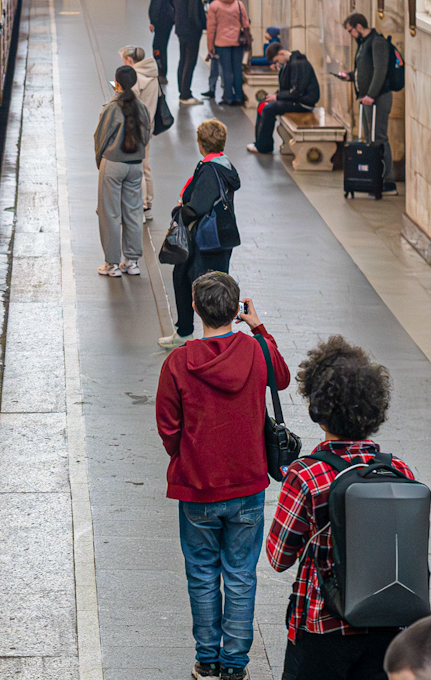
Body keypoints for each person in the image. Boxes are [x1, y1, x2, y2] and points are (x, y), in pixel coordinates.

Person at [156, 271, 288, 680]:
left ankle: (206, 659)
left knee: (201, 574)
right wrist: (259, 326)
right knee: (240, 576)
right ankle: (234, 665)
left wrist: (187, 456)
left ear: (194, 308)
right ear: (236, 310)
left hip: (197, 490)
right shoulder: (255, 352)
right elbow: (281, 378)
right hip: (247, 485)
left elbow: (167, 426)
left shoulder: (178, 362)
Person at [266, 336, 414, 679]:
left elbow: (278, 558)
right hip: (387, 624)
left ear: (319, 409)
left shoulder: (307, 475)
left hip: (322, 624)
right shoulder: (399, 471)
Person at [160, 120, 240, 349]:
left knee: (199, 286)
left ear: (201, 143)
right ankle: (200, 332)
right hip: (220, 236)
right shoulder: (224, 165)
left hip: (205, 240)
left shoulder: (209, 169)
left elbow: (200, 206)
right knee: (205, 282)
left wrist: (179, 211)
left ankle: (197, 334)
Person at [93, 64, 151, 276]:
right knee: (134, 212)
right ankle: (132, 262)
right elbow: (146, 136)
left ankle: (112, 264)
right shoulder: (141, 108)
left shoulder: (111, 108)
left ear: (116, 83)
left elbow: (100, 138)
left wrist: (101, 162)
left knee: (110, 214)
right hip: (135, 166)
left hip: (113, 165)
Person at [338, 13, 396, 194]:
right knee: (370, 140)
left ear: (358, 26)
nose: (350, 34)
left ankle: (388, 181)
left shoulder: (377, 42)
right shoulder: (363, 44)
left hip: (378, 98)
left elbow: (380, 70)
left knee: (379, 138)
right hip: (366, 99)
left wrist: (371, 94)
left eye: (350, 31)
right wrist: (350, 76)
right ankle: (372, 178)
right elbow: (365, 70)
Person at [247, 43, 319, 154]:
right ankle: (260, 143)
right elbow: (286, 88)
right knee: (263, 104)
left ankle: (264, 146)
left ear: (281, 53)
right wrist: (275, 96)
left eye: (276, 60)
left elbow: (296, 92)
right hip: (296, 100)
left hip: (303, 103)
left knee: (269, 109)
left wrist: (277, 97)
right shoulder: (289, 63)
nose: (277, 63)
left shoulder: (299, 63)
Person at [121, 45, 161, 216]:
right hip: (148, 124)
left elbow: (127, 98)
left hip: (136, 127)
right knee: (146, 166)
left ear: (129, 60)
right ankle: (149, 200)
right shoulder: (152, 74)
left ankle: (143, 202)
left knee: (138, 166)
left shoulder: (135, 77)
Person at [206, 0, 250, 105]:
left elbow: (211, 28)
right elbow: (246, 24)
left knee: (226, 70)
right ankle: (239, 96)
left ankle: (228, 97)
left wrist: (210, 47)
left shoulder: (214, 5)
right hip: (237, 42)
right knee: (237, 69)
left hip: (222, 43)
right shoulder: (239, 5)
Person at [174, 0, 207, 105]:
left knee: (183, 60)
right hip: (192, 32)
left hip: (181, 30)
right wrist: (202, 26)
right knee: (190, 62)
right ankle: (186, 94)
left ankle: (182, 91)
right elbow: (194, 14)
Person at [149, 0, 176, 79]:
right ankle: (161, 70)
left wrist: (153, 22)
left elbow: (156, 6)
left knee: (158, 47)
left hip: (162, 22)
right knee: (161, 46)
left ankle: (161, 71)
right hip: (166, 21)